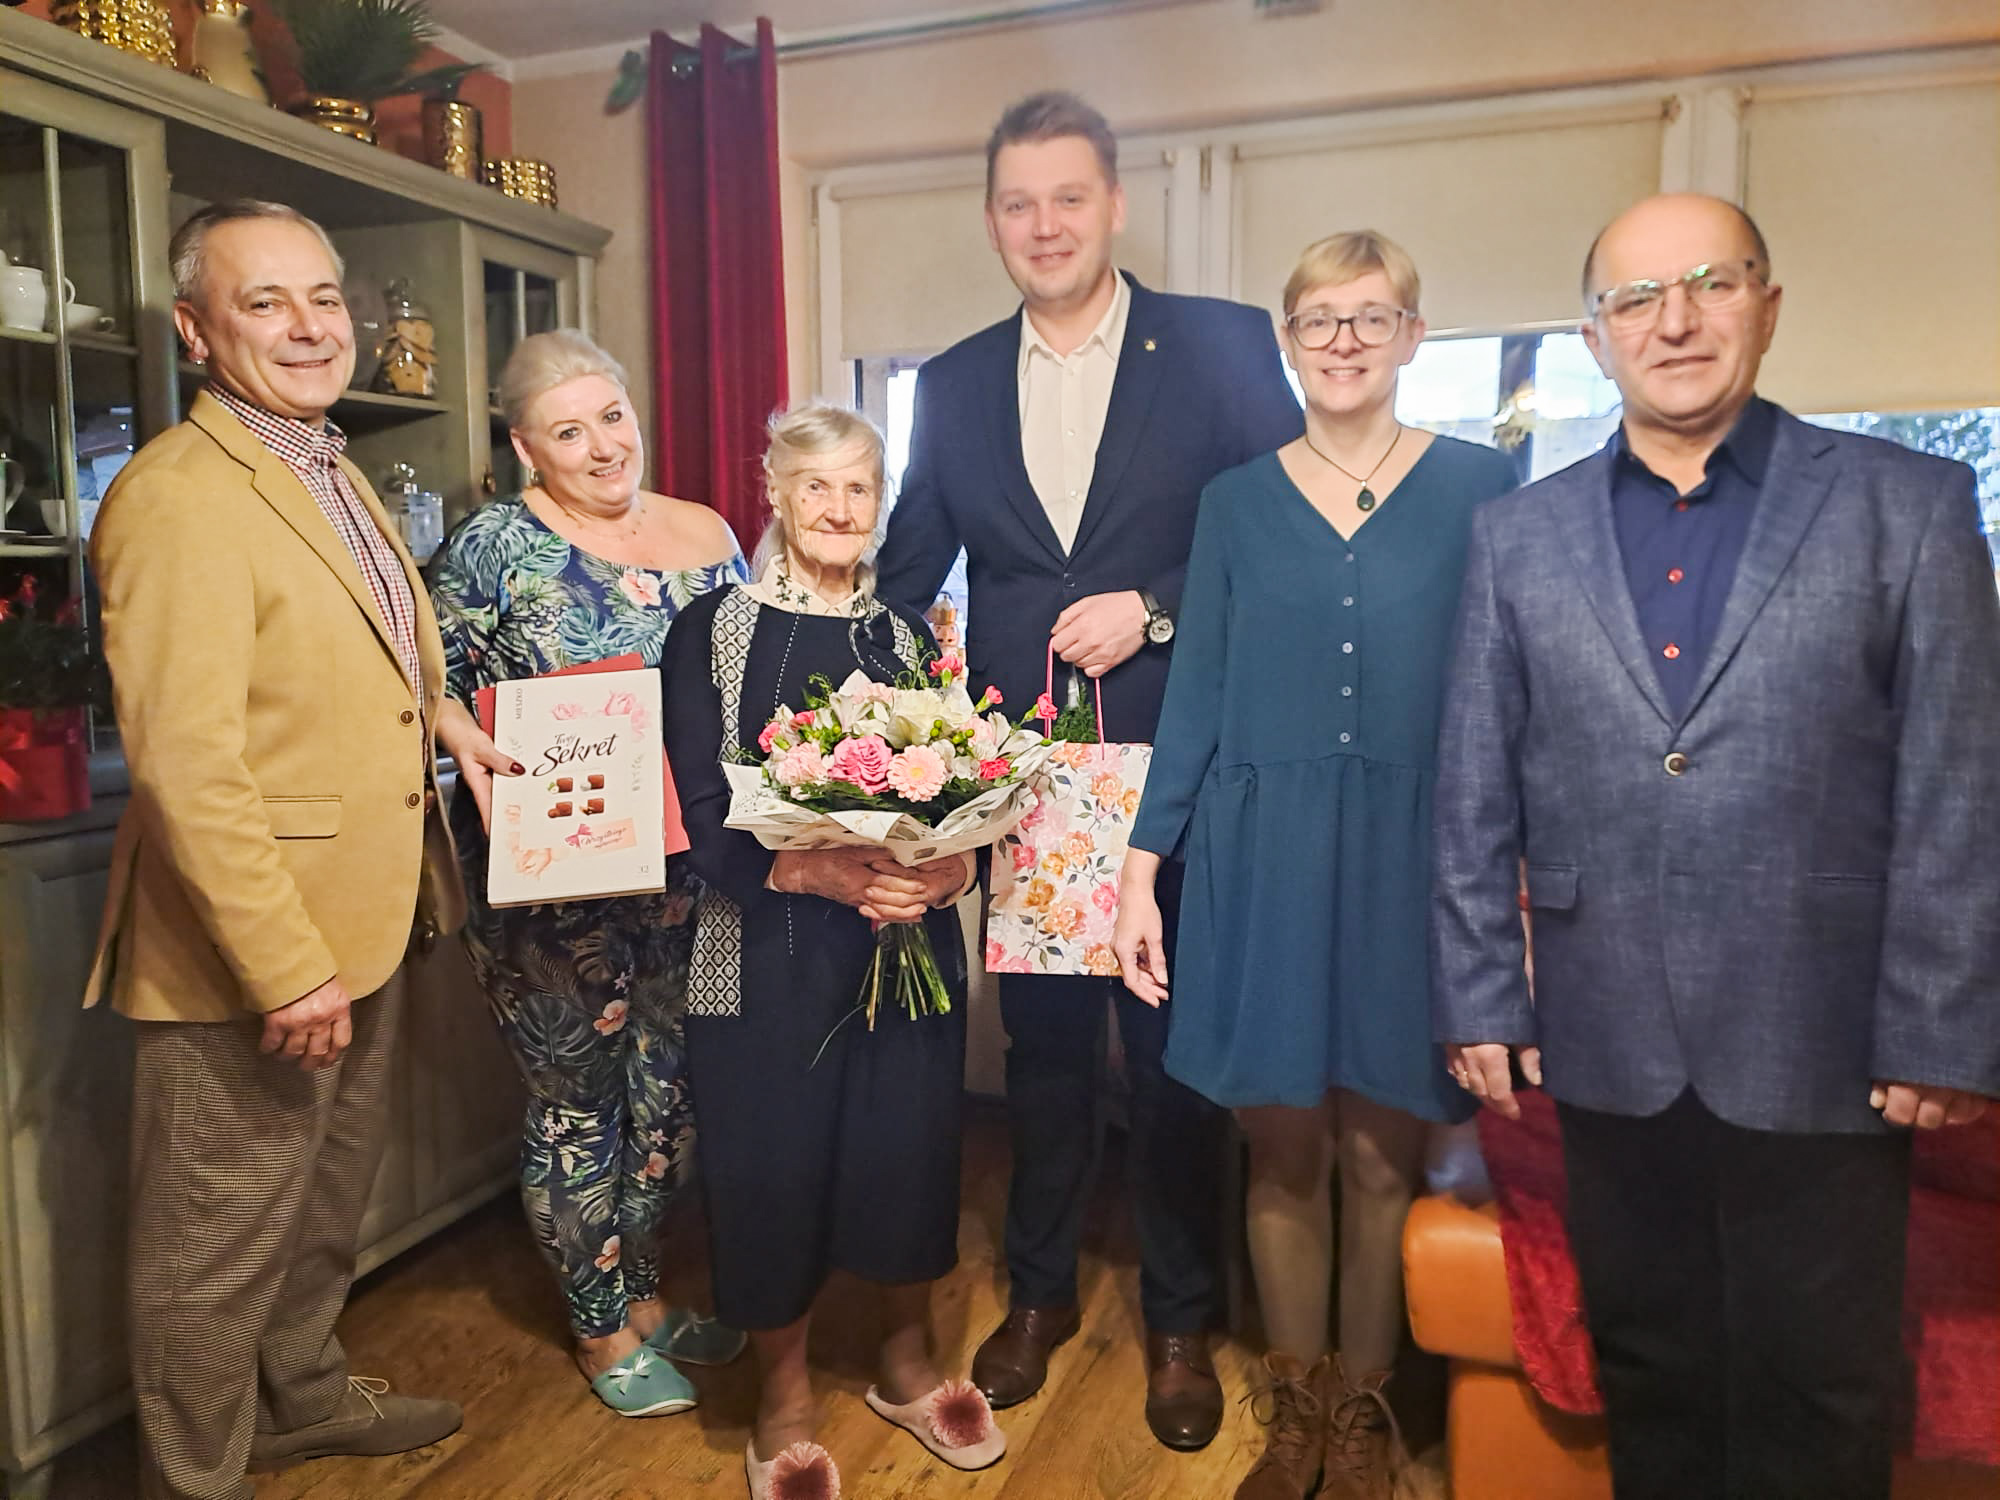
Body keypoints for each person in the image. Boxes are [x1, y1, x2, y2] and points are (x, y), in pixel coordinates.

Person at [1432, 193, 2000, 1500]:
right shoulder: (1517, 534)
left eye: (1710, 283)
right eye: (1635, 297)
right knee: (1651, 1365)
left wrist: (1941, 1030)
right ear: (1594, 336)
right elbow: (1471, 785)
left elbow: (1959, 785)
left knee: (1823, 1382)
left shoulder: (1907, 505)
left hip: (1825, 1035)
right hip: (1603, 1031)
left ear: (1767, 305)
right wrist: (1477, 996)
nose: (1674, 320)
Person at [877, 90, 1303, 1451]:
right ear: (991, 220)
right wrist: (823, 678)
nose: (1045, 224)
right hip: (1032, 785)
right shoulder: (951, 384)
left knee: (1173, 1053)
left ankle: (1179, 1317)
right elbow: (904, 578)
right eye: (1019, 203)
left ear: (1114, 205)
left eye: (1068, 197)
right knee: (1047, 1054)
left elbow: (1280, 528)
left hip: (1182, 768)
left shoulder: (1220, 346)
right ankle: (1041, 1293)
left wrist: (1156, 608)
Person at [83, 199, 515, 1500]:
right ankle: (193, 1479)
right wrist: (283, 966)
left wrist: (442, 714)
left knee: (322, 1201)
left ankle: (301, 1399)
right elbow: (186, 761)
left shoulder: (325, 466)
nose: (309, 326)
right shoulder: (178, 497)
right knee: (210, 1245)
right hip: (255, 952)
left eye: (324, 297)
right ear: (194, 329)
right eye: (263, 301)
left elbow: (352, 653)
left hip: (368, 914)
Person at [1115, 230, 1518, 1500]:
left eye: (1369, 316)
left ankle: (1361, 1418)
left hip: (1410, 858)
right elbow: (1196, 691)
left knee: (1380, 1156)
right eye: (1317, 320)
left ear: (1410, 335)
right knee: (1281, 1148)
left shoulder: (1484, 484)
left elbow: (1512, 687)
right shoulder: (1233, 502)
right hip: (1263, 857)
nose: (1343, 340)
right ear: (1287, 342)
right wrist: (1139, 869)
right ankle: (1293, 1410)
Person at [661, 404, 1005, 1500]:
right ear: (775, 491)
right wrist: (809, 872)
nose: (840, 508)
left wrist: (949, 873)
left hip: (901, 942)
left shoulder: (910, 637)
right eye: (818, 486)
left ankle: (906, 1364)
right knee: (770, 1160)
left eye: (861, 487)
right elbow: (699, 809)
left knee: (908, 1144)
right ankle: (785, 1395)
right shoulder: (712, 630)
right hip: (762, 948)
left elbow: (960, 788)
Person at [428, 329, 750, 1414]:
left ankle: (645, 1294)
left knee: (670, 1093)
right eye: (569, 432)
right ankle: (599, 1327)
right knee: (578, 1102)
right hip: (551, 881)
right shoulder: (489, 548)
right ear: (526, 449)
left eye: (612, 416)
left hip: (692, 872)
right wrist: (455, 731)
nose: (604, 445)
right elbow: (420, 679)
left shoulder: (706, 534)